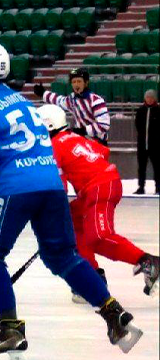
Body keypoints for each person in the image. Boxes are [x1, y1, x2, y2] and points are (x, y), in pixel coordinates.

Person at [0, 42, 142, 360]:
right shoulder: (23, 101)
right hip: (51, 186)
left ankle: (9, 330)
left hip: (17, 187)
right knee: (62, 255)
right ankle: (112, 312)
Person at [38, 104, 158, 299]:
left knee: (99, 237)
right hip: (100, 184)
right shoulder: (74, 136)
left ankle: (148, 262)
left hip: (99, 187)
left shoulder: (53, 147)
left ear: (47, 126)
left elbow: (59, 188)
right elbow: (102, 151)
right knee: (73, 223)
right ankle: (92, 277)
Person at [33, 68, 110, 145]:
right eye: (74, 82)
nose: (76, 84)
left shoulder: (96, 100)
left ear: (86, 83)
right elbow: (59, 101)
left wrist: (83, 130)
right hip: (82, 141)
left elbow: (104, 125)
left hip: (98, 143)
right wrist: (43, 93)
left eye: (79, 81)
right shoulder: (72, 99)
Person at [134, 89, 159, 195]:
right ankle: (141, 187)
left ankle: (158, 188)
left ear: (155, 99)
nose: (149, 99)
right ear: (145, 98)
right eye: (148, 97)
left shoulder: (158, 110)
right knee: (141, 167)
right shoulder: (140, 110)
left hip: (156, 145)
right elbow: (137, 125)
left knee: (157, 167)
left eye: (151, 97)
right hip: (142, 145)